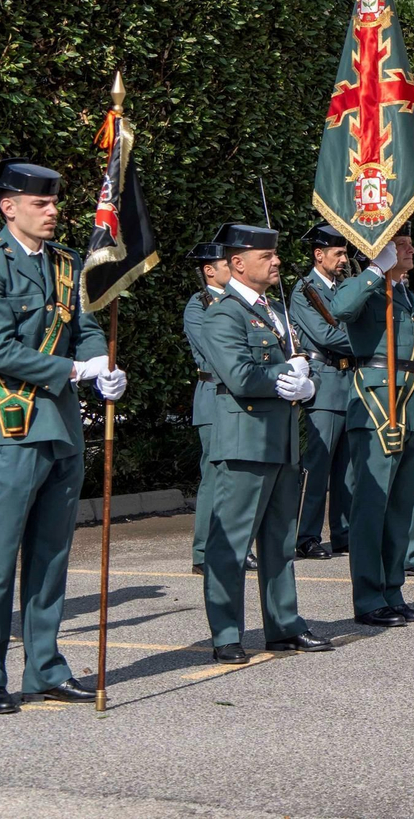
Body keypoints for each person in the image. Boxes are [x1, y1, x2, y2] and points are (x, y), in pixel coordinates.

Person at [0, 159, 126, 713]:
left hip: (60, 428)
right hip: (13, 425)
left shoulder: (66, 263)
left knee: (52, 554)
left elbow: (83, 324)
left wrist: (99, 359)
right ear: (9, 207)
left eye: (55, 203)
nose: (53, 212)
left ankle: (45, 667)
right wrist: (76, 373)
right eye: (41, 204)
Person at [199, 221, 331, 665]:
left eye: (275, 255)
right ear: (237, 263)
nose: (276, 262)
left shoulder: (274, 310)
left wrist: (305, 383)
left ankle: (284, 625)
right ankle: (226, 633)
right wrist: (284, 377)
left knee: (279, 541)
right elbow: (238, 375)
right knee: (231, 544)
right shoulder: (223, 312)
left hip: (280, 440)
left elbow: (295, 361)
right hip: (245, 441)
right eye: (265, 257)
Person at [331, 224, 414, 628]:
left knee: (401, 506)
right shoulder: (367, 287)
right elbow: (341, 309)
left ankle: (393, 591)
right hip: (378, 401)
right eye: (401, 243)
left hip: (411, 399)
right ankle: (369, 597)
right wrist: (375, 270)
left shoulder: (408, 293)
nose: (410, 248)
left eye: (409, 241)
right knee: (372, 506)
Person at [288, 222, 354, 560]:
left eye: (345, 253)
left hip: (347, 381)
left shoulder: (345, 287)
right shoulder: (304, 291)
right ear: (319, 254)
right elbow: (325, 337)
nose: (344, 259)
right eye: (338, 253)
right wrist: (368, 341)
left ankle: (342, 532)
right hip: (324, 380)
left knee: (346, 468)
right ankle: (306, 535)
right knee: (318, 466)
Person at [185, 238, 240, 575]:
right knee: (215, 476)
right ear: (209, 270)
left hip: (236, 398)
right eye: (226, 264)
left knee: (236, 477)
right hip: (213, 394)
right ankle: (204, 551)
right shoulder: (199, 306)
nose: (234, 268)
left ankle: (233, 546)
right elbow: (215, 351)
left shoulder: (240, 303)